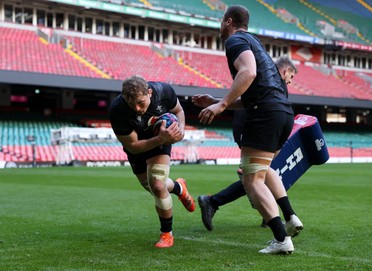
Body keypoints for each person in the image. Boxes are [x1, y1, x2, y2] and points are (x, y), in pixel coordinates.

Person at [197, 5, 302, 254]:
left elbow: (248, 72)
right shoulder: (254, 42)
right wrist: (216, 100)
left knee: (252, 179)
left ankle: (282, 239)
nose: (220, 26)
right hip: (283, 113)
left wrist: (221, 105)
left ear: (228, 21)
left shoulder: (235, 40)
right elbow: (251, 95)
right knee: (262, 173)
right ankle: (289, 218)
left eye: (221, 21)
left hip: (264, 116)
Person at [192, 56, 298, 231]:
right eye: (291, 76)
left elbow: (246, 101)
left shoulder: (274, 84)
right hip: (253, 127)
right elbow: (246, 102)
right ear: (286, 70)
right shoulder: (269, 79)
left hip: (257, 127)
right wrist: (218, 104)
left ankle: (214, 202)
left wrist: (216, 102)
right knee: (256, 176)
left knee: (257, 175)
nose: (291, 81)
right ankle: (275, 218)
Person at [109, 75, 196, 248]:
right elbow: (133, 146)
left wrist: (181, 130)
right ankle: (179, 187)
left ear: (149, 92)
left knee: (157, 186)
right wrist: (160, 139)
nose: (137, 108)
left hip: (161, 139)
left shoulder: (164, 91)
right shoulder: (117, 110)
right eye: (131, 104)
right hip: (139, 146)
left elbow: (179, 111)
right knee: (153, 187)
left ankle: (166, 234)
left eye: (141, 102)